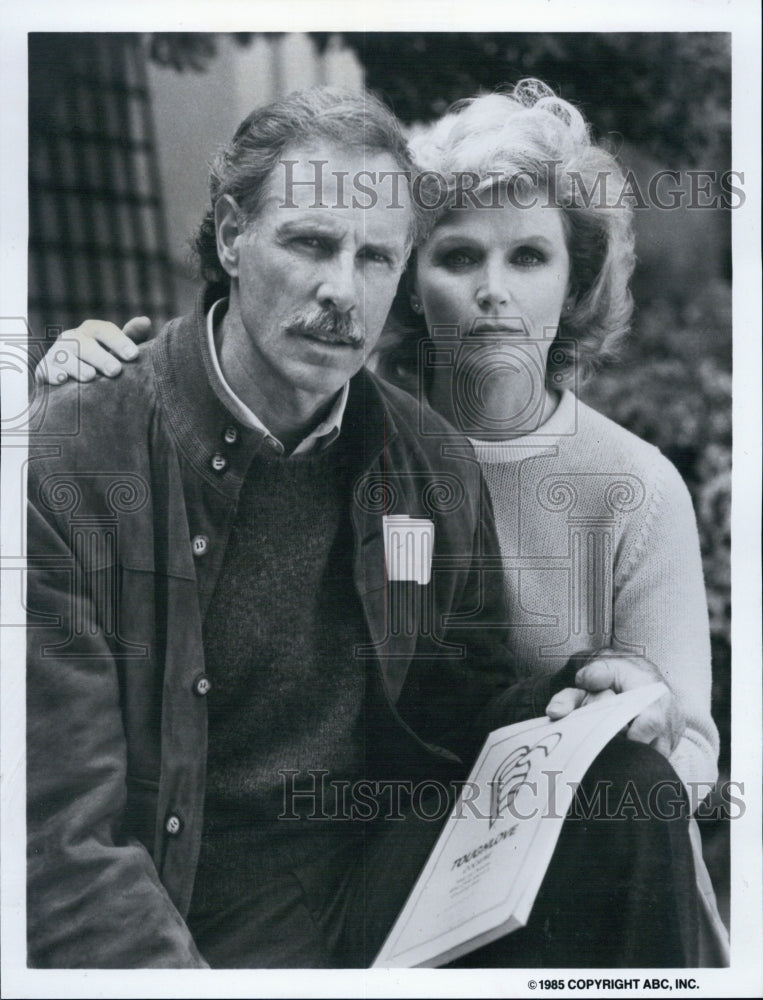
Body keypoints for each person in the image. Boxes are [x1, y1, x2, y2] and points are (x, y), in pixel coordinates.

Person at [28, 85, 700, 970]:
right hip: (194, 911)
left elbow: (448, 696)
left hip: (383, 892)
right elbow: (58, 838)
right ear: (232, 235)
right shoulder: (79, 454)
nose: (340, 291)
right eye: (310, 242)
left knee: (623, 784)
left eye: (376, 257)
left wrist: (571, 693)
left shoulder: (420, 454)